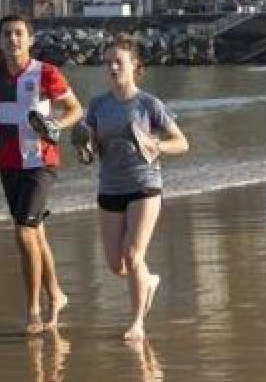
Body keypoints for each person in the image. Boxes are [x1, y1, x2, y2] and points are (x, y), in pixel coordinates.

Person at [78, 37, 188, 341]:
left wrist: (158, 145)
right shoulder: (98, 105)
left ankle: (137, 322)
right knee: (116, 265)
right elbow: (90, 147)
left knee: (131, 255)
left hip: (145, 184)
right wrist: (85, 147)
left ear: (135, 67)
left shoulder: (149, 104)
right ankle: (148, 281)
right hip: (110, 186)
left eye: (119, 62)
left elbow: (182, 142)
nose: (112, 67)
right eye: (108, 62)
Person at [0, 14, 83, 334]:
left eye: (18, 34)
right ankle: (57, 294)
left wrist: (56, 126)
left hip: (41, 161)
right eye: (7, 34)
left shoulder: (46, 73)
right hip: (8, 162)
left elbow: (75, 110)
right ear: (0, 40)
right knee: (35, 232)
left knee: (23, 230)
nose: (13, 39)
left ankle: (33, 309)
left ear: (30, 39)